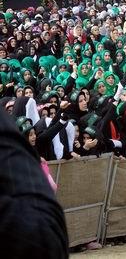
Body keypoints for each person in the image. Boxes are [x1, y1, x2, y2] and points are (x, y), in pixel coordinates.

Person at [0, 108, 68, 258]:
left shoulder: (32, 152)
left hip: (42, 224)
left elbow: (49, 133)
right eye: (30, 135)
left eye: (34, 134)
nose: (33, 137)